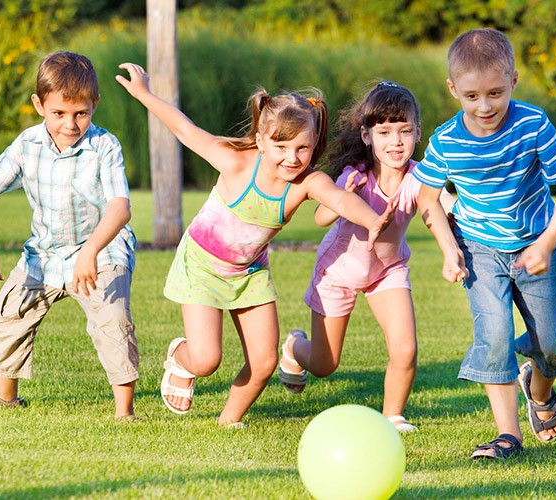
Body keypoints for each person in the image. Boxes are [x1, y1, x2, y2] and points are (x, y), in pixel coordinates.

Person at [115, 62, 394, 428]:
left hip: (249, 273)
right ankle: (182, 360)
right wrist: (144, 94)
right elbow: (185, 129)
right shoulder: (234, 162)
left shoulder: (306, 183)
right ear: (261, 140)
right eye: (281, 146)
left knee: (263, 362)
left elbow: (339, 199)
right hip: (201, 266)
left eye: (303, 148)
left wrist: (373, 220)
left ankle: (228, 421)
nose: (292, 158)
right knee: (206, 359)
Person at [415, 28, 556, 459]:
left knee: (551, 345)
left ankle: (539, 390)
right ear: (453, 89)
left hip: (534, 247)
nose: (485, 106)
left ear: (514, 80)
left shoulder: (533, 125)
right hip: (479, 251)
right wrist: (449, 248)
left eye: (495, 92)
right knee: (493, 334)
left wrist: (547, 244)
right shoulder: (446, 140)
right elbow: (426, 197)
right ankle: (508, 434)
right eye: (471, 96)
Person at [0, 52, 141, 422]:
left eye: (81, 113)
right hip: (44, 255)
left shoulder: (105, 147)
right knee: (8, 315)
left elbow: (120, 208)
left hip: (102, 250)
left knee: (112, 320)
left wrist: (92, 249)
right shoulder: (27, 146)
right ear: (39, 104)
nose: (70, 124)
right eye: (59, 113)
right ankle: (5, 398)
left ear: (95, 105)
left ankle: (125, 413)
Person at [279, 81, 455, 433]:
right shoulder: (355, 176)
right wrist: (341, 196)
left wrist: (455, 242)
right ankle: (294, 347)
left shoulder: (420, 176)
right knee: (324, 364)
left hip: (387, 272)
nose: (396, 141)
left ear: (418, 133)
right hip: (338, 271)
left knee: (405, 349)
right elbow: (320, 218)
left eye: (405, 131)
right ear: (366, 135)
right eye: (385, 132)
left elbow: (440, 208)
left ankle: (393, 416)